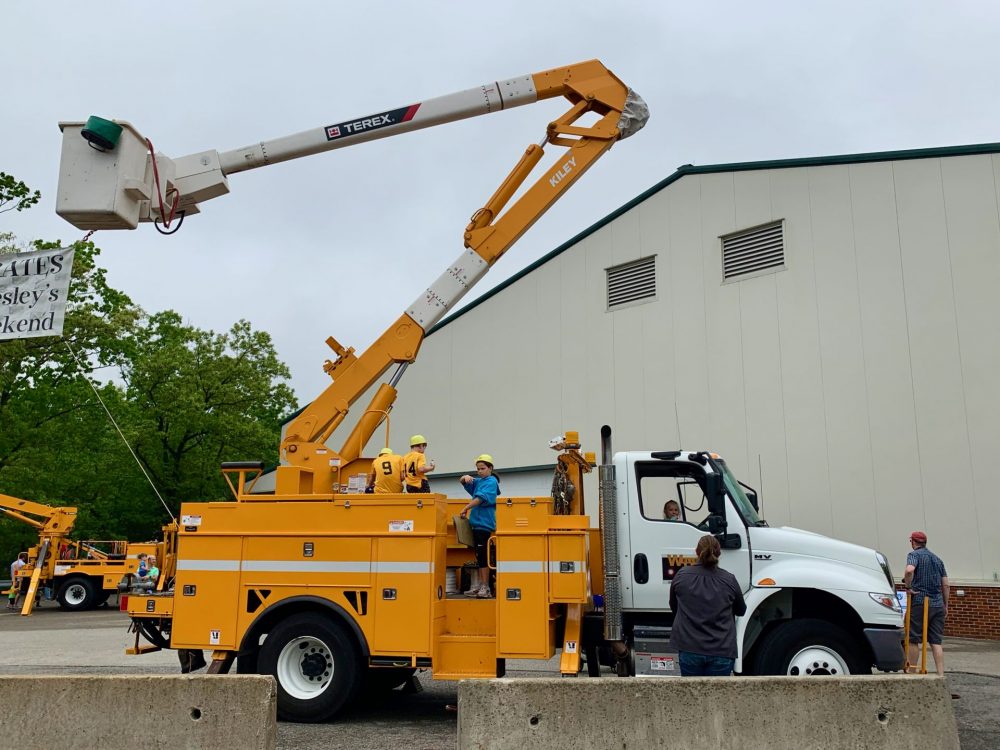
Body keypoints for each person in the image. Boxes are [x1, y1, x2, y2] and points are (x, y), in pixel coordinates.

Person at [669, 535, 746, 676]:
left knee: (692, 695)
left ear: (697, 552)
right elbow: (741, 610)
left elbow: (674, 607)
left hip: (689, 647)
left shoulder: (681, 576)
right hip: (722, 650)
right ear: (719, 553)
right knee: (717, 697)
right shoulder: (729, 580)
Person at [904, 530, 949, 676]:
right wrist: (945, 604)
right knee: (936, 641)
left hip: (919, 602)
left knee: (913, 639)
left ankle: (912, 672)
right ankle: (940, 674)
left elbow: (909, 570)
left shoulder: (914, 555)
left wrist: (908, 587)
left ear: (913, 542)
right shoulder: (937, 559)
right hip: (937, 604)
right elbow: (946, 585)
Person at [459, 454, 499, 599]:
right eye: (478, 469)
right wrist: (465, 477)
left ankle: (485, 587)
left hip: (484, 524)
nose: (479, 471)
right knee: (479, 555)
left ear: (490, 468)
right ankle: (481, 585)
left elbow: (480, 498)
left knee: (483, 556)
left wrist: (466, 508)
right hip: (476, 524)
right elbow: (464, 482)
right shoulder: (480, 481)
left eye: (482, 468)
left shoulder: (491, 482)